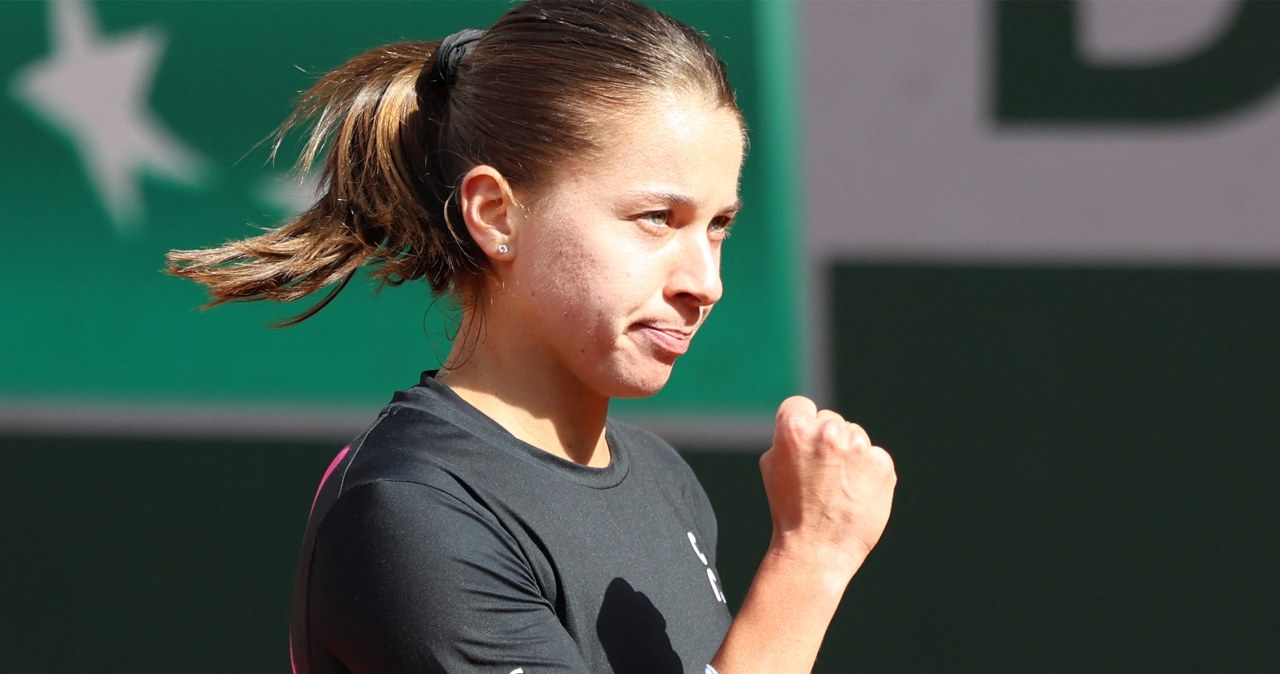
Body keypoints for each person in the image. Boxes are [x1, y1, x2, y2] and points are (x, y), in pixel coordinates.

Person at [167, 1, 896, 672]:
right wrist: (809, 561)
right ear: (496, 215)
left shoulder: (666, 481)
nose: (705, 282)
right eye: (655, 219)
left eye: (718, 226)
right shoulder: (411, 513)